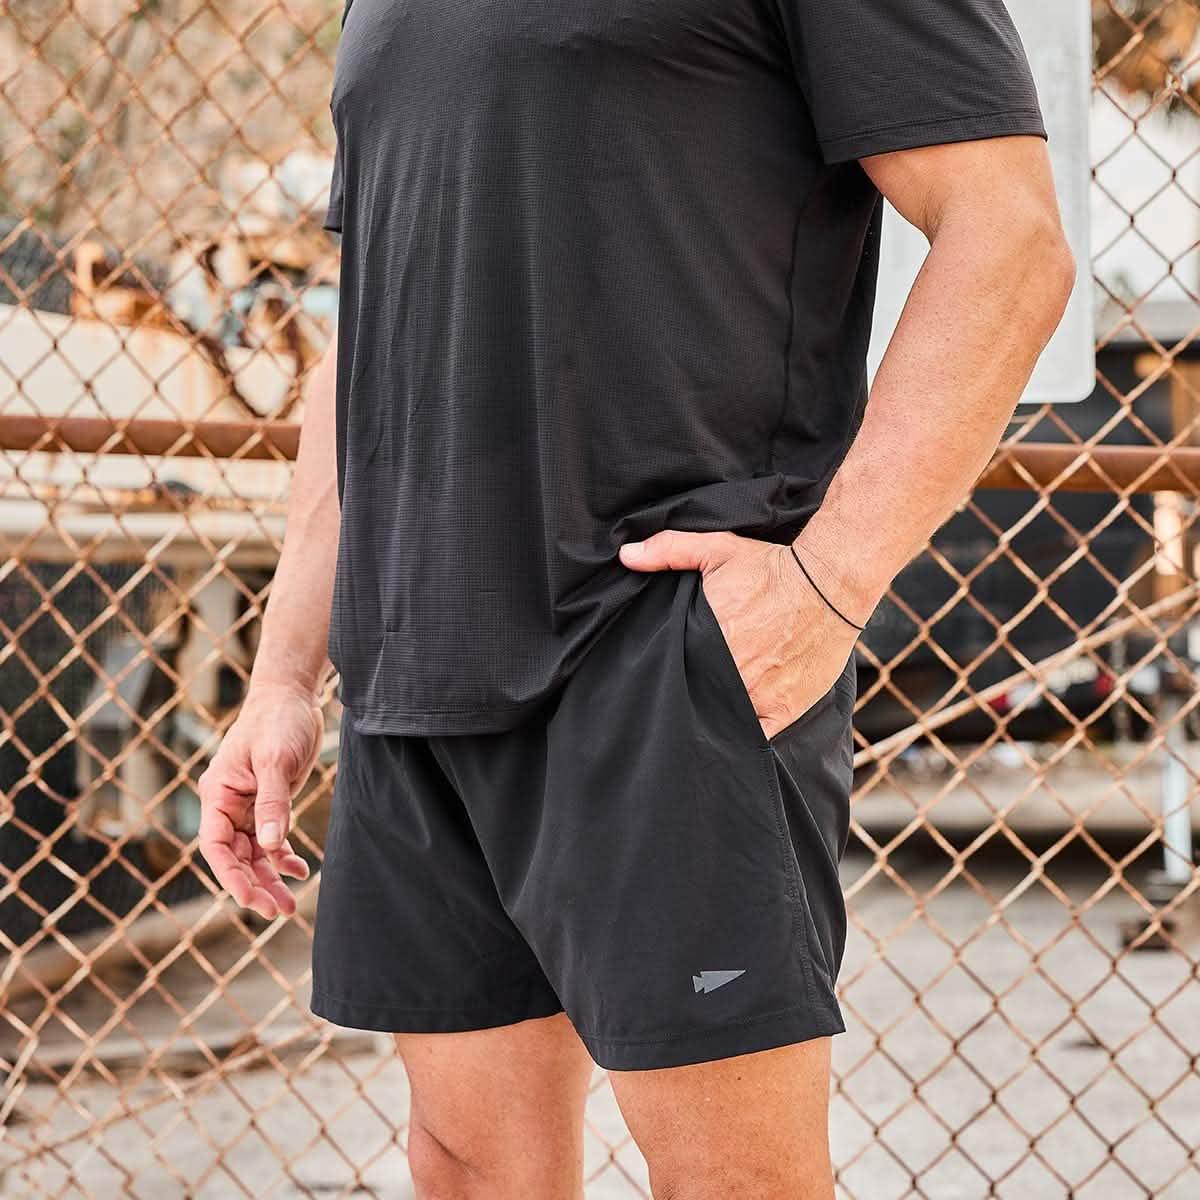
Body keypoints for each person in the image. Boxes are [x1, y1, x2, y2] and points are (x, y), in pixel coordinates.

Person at [198, 0, 1074, 1194]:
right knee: (466, 1165)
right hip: (415, 662)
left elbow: (1010, 237)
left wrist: (826, 585)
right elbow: (369, 331)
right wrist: (286, 676)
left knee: (734, 1183)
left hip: (652, 643)